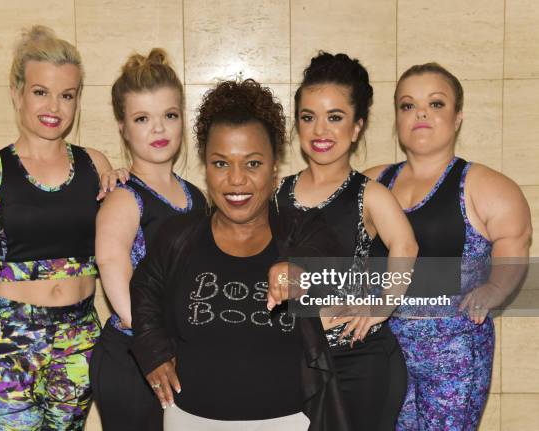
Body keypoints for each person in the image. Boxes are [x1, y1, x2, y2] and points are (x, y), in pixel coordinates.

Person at [130, 79, 352, 431]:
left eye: (252, 164)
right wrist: (152, 349)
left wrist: (300, 267)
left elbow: (331, 257)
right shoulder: (178, 236)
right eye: (221, 164)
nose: (236, 180)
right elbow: (145, 290)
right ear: (205, 167)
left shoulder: (302, 228)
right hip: (190, 420)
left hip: (288, 422)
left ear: (274, 167)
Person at [0, 26, 113, 430]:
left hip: (80, 340)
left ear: (77, 100)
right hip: (7, 341)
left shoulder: (95, 164)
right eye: (41, 92)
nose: (54, 105)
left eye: (67, 95)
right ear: (17, 93)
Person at [364, 62, 532, 430]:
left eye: (436, 104)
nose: (421, 112)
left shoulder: (487, 186)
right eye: (407, 105)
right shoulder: (373, 181)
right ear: (396, 119)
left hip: (454, 359)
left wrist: (493, 290)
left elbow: (513, 243)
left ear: (458, 117)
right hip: (383, 351)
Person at [272, 51, 418, 431]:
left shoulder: (369, 194)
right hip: (294, 360)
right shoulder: (276, 193)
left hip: (360, 362)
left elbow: (406, 246)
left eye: (335, 117)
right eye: (309, 117)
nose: (320, 130)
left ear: (356, 127)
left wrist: (380, 307)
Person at [89, 48, 205, 431]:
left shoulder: (196, 196)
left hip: (180, 353)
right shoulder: (124, 196)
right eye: (142, 118)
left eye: (169, 116)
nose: (159, 129)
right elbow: (111, 264)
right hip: (133, 358)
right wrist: (151, 344)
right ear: (122, 126)